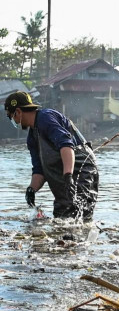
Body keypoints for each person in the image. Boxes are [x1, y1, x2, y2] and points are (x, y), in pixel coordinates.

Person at [4, 91, 98, 219]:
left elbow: (66, 145)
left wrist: (68, 176)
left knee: (80, 209)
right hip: (63, 174)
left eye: (11, 116)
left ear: (18, 112)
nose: (13, 121)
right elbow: (39, 169)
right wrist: (32, 189)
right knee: (62, 214)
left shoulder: (45, 117)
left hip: (81, 167)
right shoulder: (32, 138)